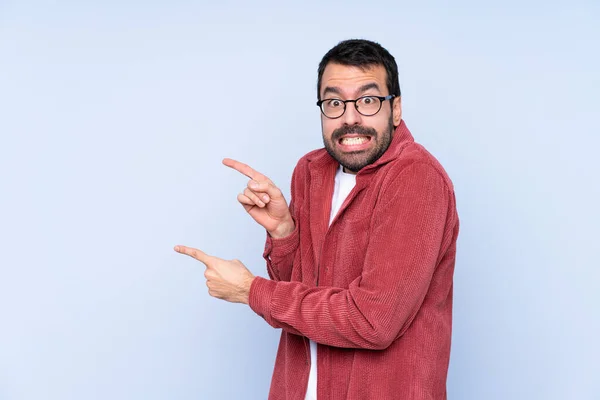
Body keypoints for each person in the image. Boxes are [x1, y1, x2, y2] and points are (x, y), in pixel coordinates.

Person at [175, 39, 459, 400]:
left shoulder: (416, 178)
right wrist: (284, 232)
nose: (350, 117)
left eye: (368, 101)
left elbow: (374, 322)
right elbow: (303, 296)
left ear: (396, 109)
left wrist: (251, 291)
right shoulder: (311, 171)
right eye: (335, 102)